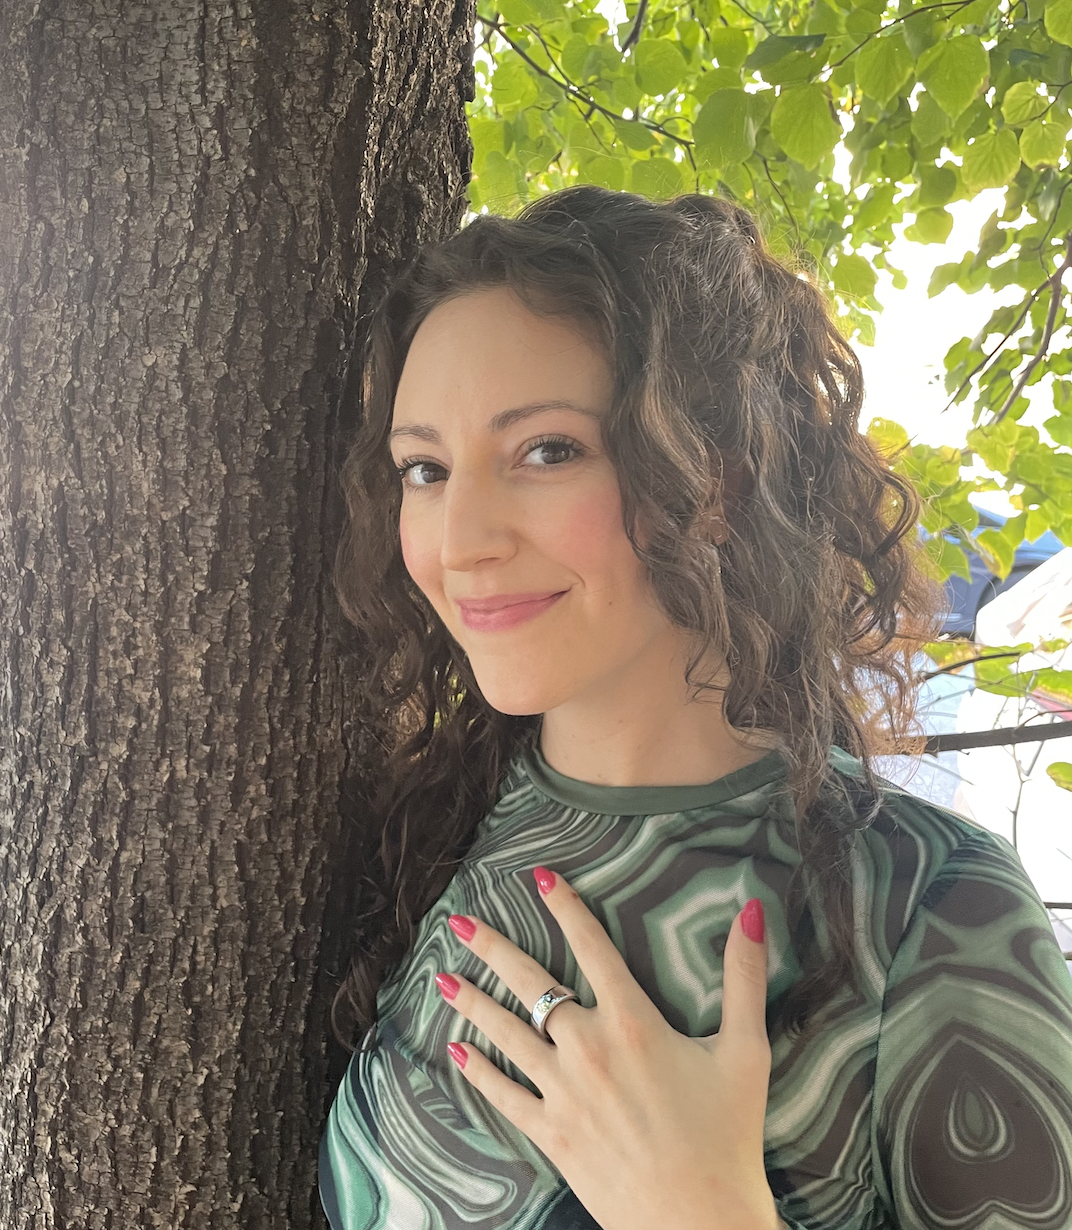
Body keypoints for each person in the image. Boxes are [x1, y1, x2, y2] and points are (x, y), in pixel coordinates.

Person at [319, 186, 1072, 1230]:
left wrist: (702, 1209)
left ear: (715, 481)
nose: (460, 540)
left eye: (547, 450)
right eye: (425, 468)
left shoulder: (928, 905)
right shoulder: (419, 833)